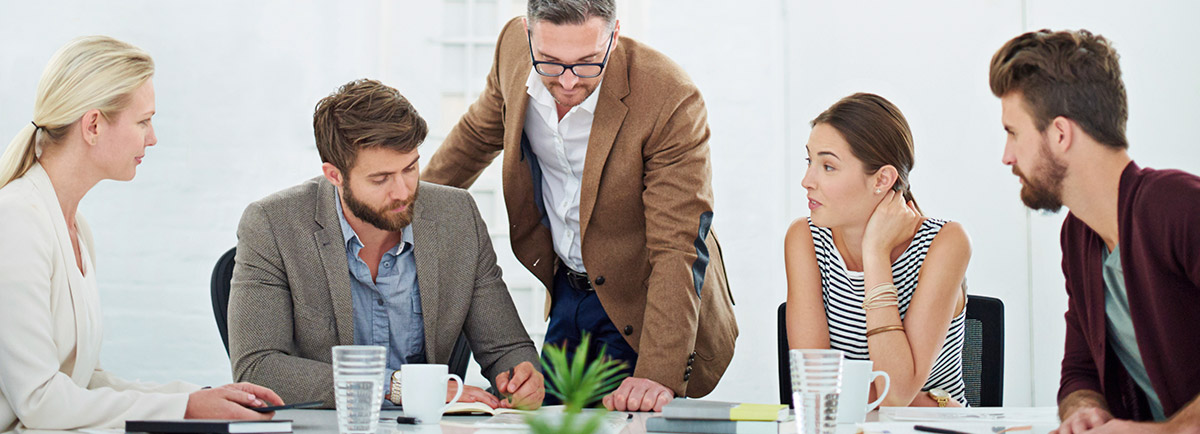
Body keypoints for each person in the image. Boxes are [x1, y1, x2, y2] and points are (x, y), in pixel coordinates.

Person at [422, 0, 737, 412]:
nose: (568, 82)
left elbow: (676, 246)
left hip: (644, 300)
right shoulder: (512, 50)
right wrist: (406, 210)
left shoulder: (668, 97)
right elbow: (477, 135)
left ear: (615, 35)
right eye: (550, 62)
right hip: (568, 290)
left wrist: (656, 375)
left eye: (588, 62)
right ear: (527, 33)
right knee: (545, 416)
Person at [0, 36, 282, 432]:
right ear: (94, 125)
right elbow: (41, 403)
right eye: (143, 121)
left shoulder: (74, 228)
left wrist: (197, 398)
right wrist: (186, 408)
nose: (152, 137)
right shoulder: (16, 221)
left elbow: (83, 382)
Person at [228, 79, 544, 410]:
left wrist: (522, 377)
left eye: (410, 168)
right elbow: (259, 368)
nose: (403, 191)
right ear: (334, 175)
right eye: (380, 179)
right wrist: (395, 387)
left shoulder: (457, 216)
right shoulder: (273, 224)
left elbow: (506, 346)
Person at [990, 30, 1200, 433]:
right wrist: (1082, 410)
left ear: (1060, 134)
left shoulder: (1178, 207)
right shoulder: (1079, 237)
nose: (1007, 156)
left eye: (1013, 132)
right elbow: (1080, 369)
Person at [784, 93, 972, 408]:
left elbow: (896, 394)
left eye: (828, 166)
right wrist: (917, 399)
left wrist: (875, 254)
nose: (807, 180)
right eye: (809, 161)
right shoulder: (804, 238)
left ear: (882, 179)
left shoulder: (946, 243)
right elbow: (815, 391)